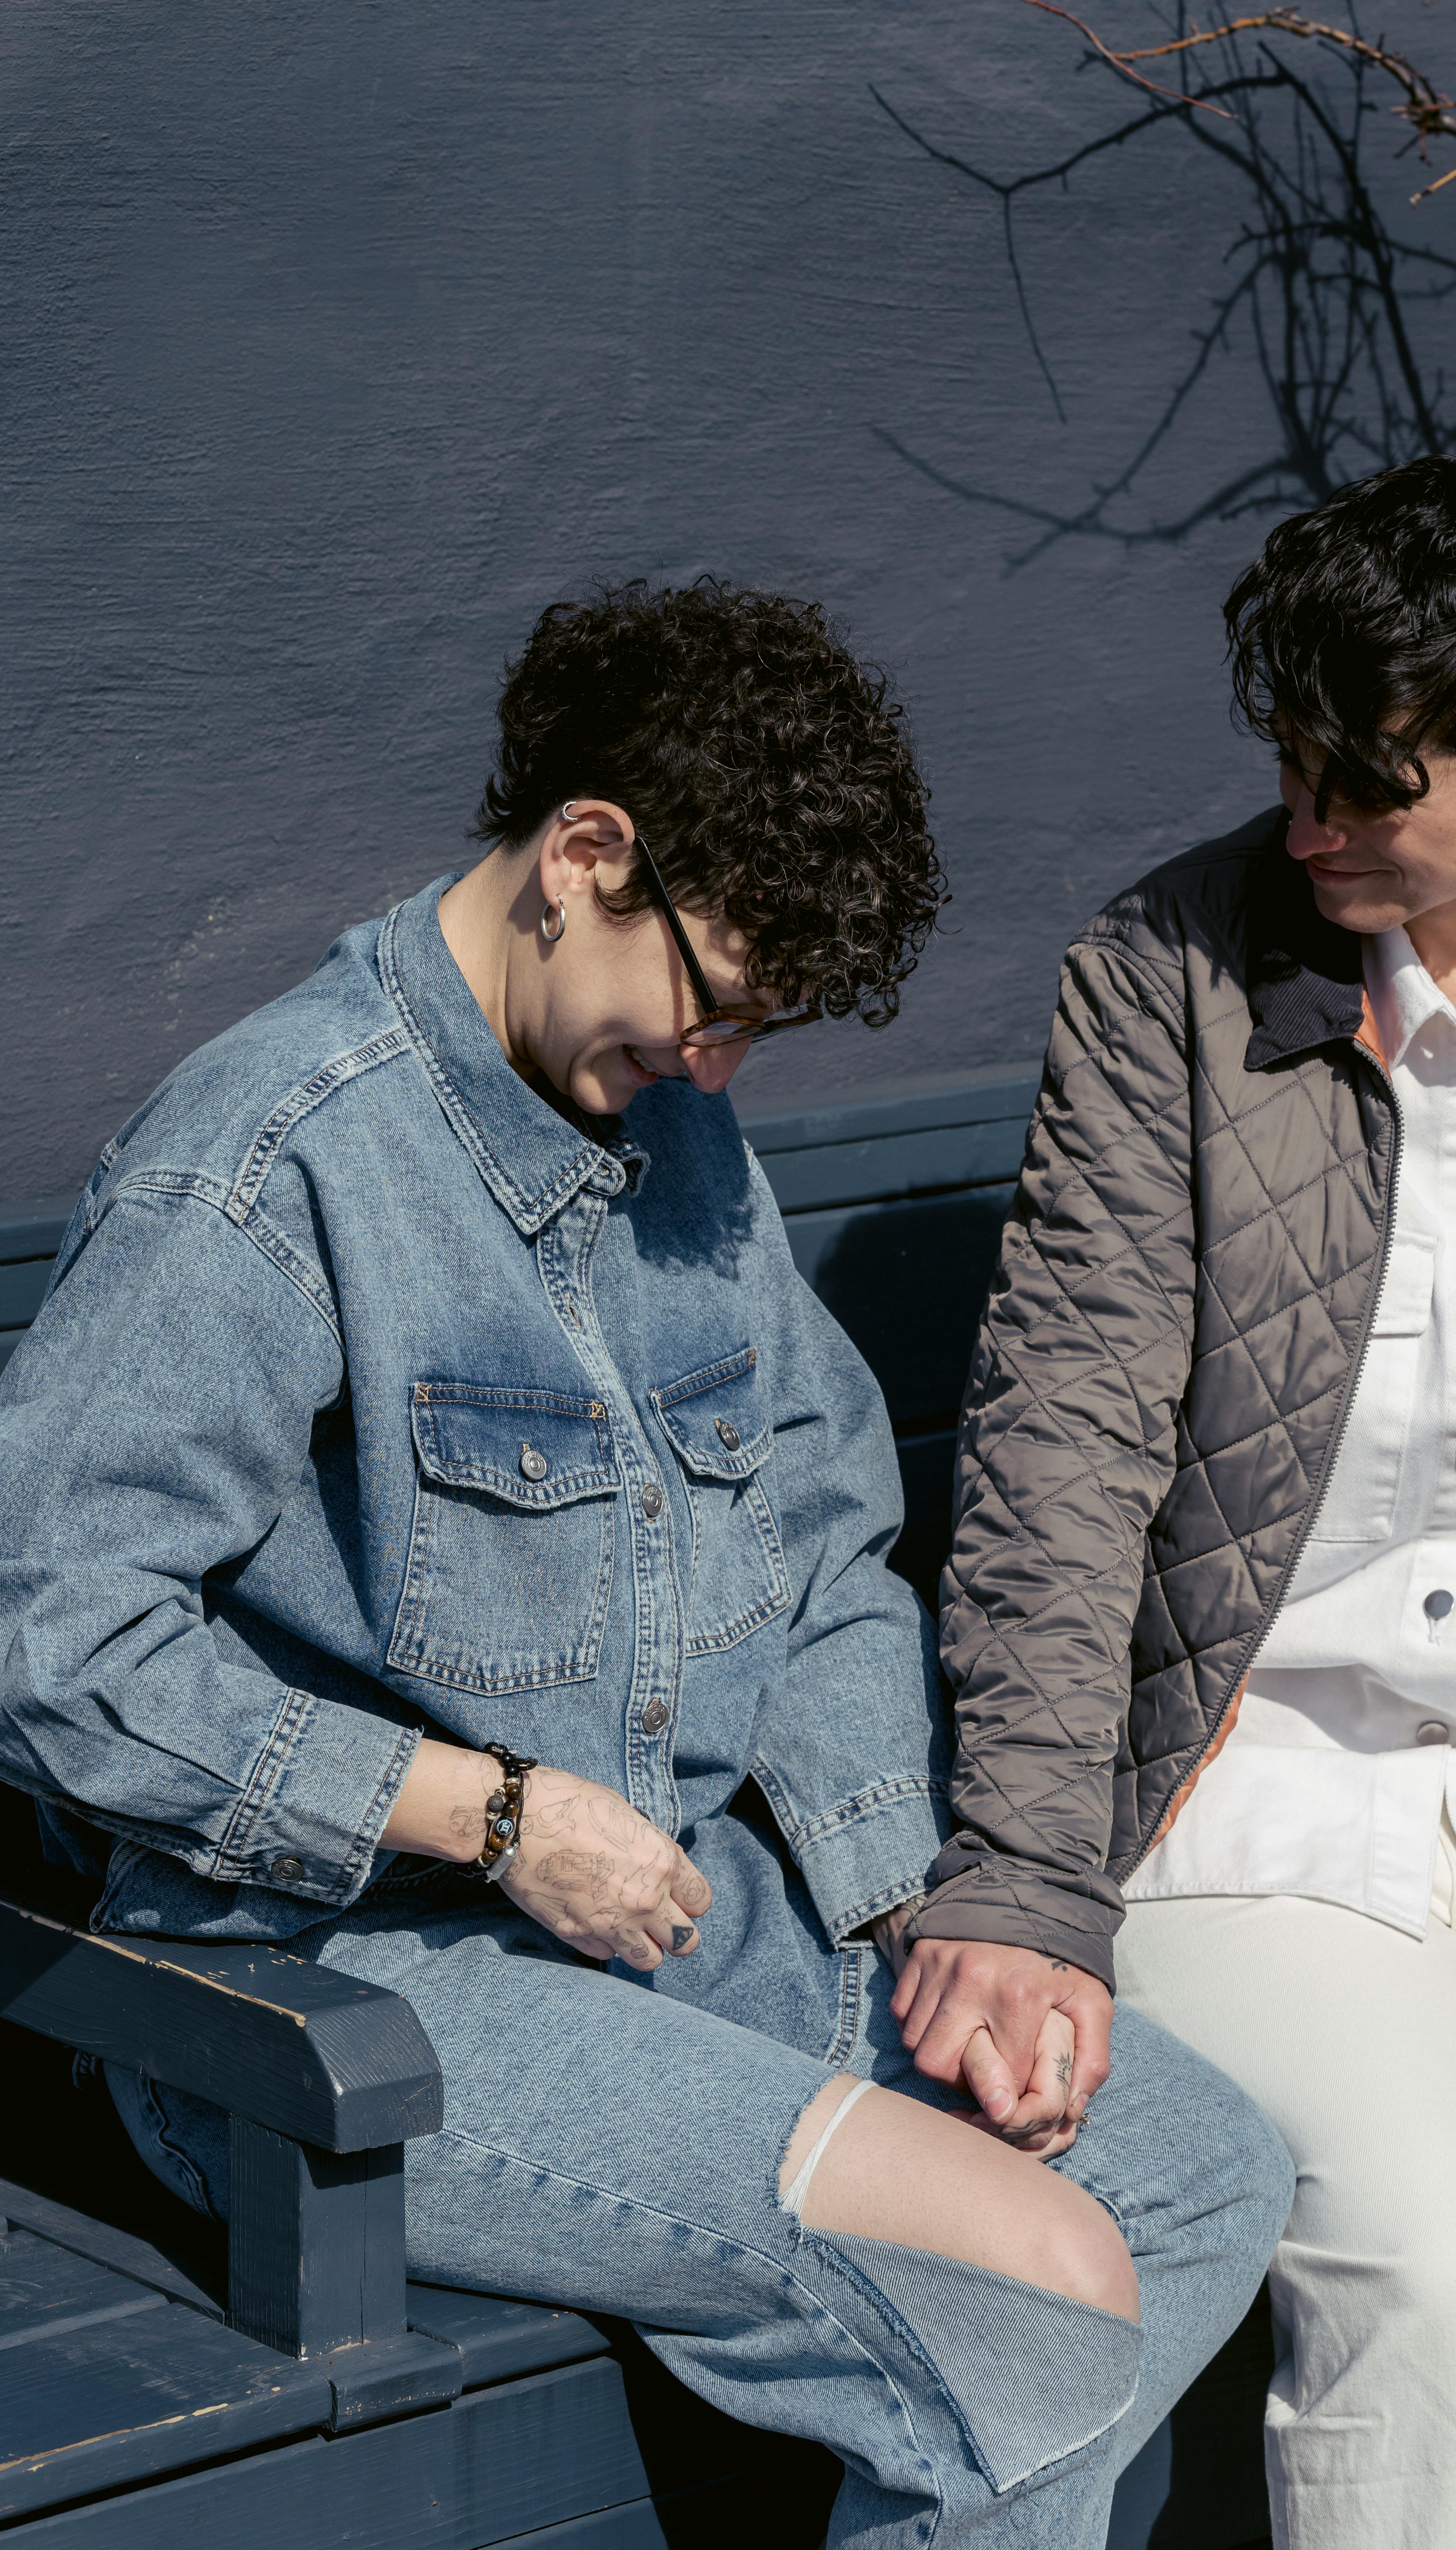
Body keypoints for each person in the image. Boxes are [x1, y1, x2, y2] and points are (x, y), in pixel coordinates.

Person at [0, 580, 1290, 2549]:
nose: (720, 1068)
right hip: (354, 1986)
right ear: (585, 855)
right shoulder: (269, 1163)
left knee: (1202, 2175)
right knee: (1032, 2309)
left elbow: (828, 1523)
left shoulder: (681, 1140)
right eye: (715, 1001)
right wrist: (491, 1814)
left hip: (703, 1924)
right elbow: (53, 1643)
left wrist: (915, 1915)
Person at [901, 449, 1456, 2547]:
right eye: (1291, 762)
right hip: (1251, 1797)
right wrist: (1019, 1871)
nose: (1313, 820)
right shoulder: (1169, 974)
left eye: (1375, 780)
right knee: (1441, 2301)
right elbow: (1059, 1444)